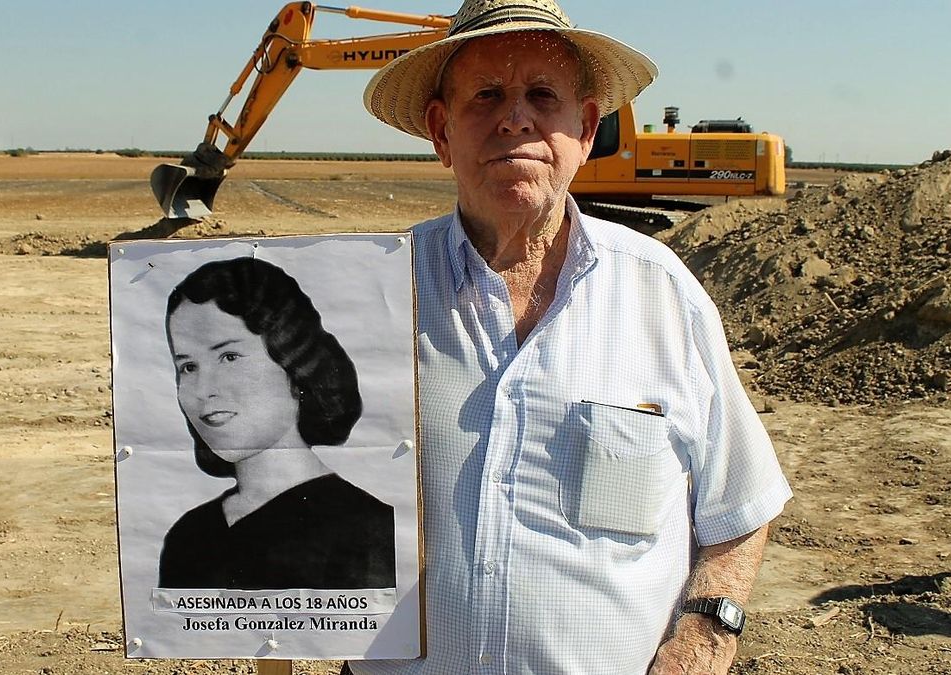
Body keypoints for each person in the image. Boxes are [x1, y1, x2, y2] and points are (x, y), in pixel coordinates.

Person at [351, 0, 793, 672]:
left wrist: (707, 631)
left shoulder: (662, 294)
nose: (515, 118)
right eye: (488, 95)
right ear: (441, 132)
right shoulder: (371, 294)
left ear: (585, 128)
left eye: (541, 95)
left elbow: (742, 501)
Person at [158, 257, 395, 591]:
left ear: (293, 362)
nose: (202, 391)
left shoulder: (368, 531)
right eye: (188, 367)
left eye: (229, 357)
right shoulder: (189, 535)